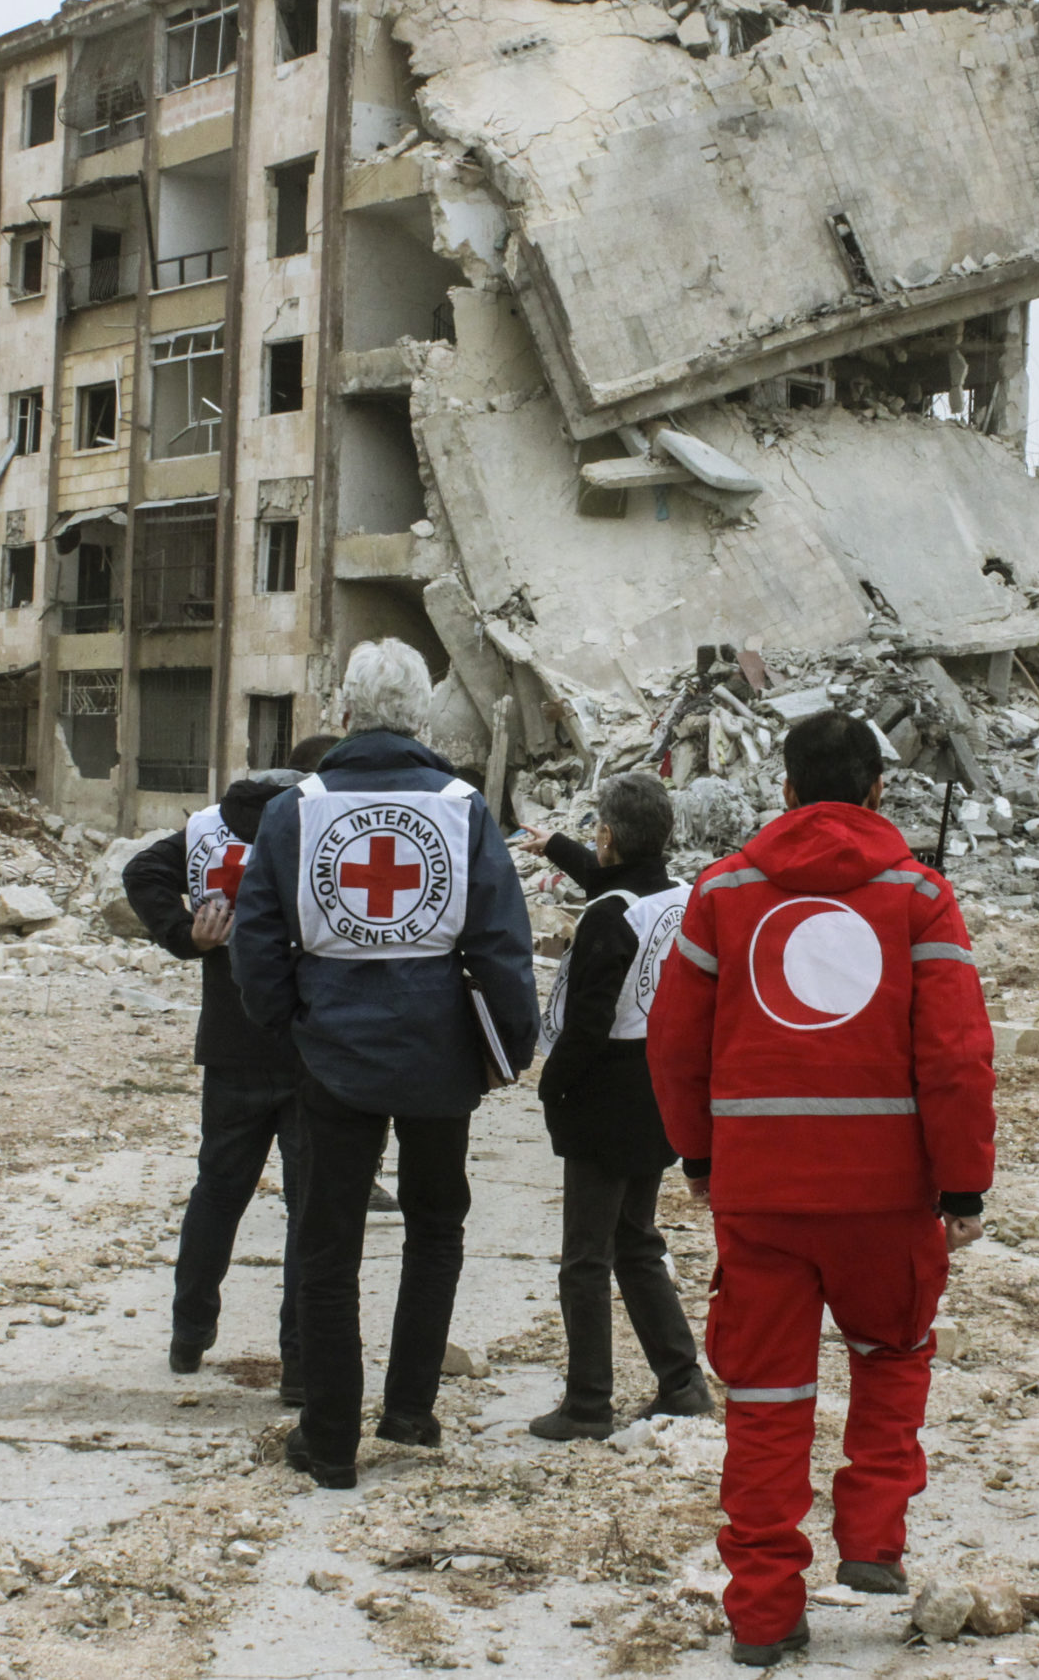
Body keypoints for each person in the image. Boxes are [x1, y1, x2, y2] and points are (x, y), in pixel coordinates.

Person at [648, 710, 994, 1667]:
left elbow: (674, 1046)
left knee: (766, 1398)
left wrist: (700, 1157)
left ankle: (762, 1612)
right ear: (880, 791)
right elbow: (958, 1056)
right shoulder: (921, 896)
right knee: (895, 1347)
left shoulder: (721, 895)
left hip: (759, 1196)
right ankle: (875, 1532)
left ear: (787, 790)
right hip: (888, 1196)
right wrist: (963, 1185)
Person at [230, 638, 538, 1489]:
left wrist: (291, 1018)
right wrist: (510, 1047)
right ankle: (409, 1409)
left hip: (333, 1056)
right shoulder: (463, 805)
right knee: (436, 1228)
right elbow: (503, 942)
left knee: (328, 1245)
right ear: (422, 716)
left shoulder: (302, 807)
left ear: (346, 711)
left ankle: (329, 1440)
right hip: (441, 1058)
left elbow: (255, 938)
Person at [515, 773, 713, 1441]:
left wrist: (550, 1086)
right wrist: (558, 848)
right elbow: (620, 882)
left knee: (585, 1257)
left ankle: (588, 1400)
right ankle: (682, 1379)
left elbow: (587, 1023)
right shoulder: (682, 895)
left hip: (605, 1096)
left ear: (607, 835)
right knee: (635, 1240)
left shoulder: (607, 916)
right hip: (659, 1088)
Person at [122, 755, 316, 1399]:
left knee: (217, 1192)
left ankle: (188, 1334)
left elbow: (141, 870)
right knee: (309, 1210)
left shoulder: (208, 826)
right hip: (311, 1045)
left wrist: (186, 935)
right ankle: (299, 1362)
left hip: (232, 1042)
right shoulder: (320, 822)